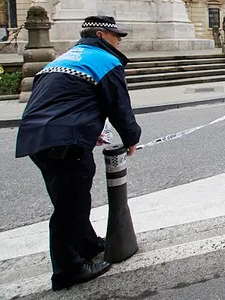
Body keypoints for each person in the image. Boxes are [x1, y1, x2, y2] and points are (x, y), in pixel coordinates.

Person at [15, 16, 142, 291]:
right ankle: (68, 269)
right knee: (70, 206)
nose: (119, 40)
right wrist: (132, 138)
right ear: (100, 34)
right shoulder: (105, 60)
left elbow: (63, 98)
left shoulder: (67, 57)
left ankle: (87, 244)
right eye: (116, 35)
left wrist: (86, 127)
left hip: (38, 137)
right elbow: (119, 106)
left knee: (70, 198)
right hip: (63, 140)